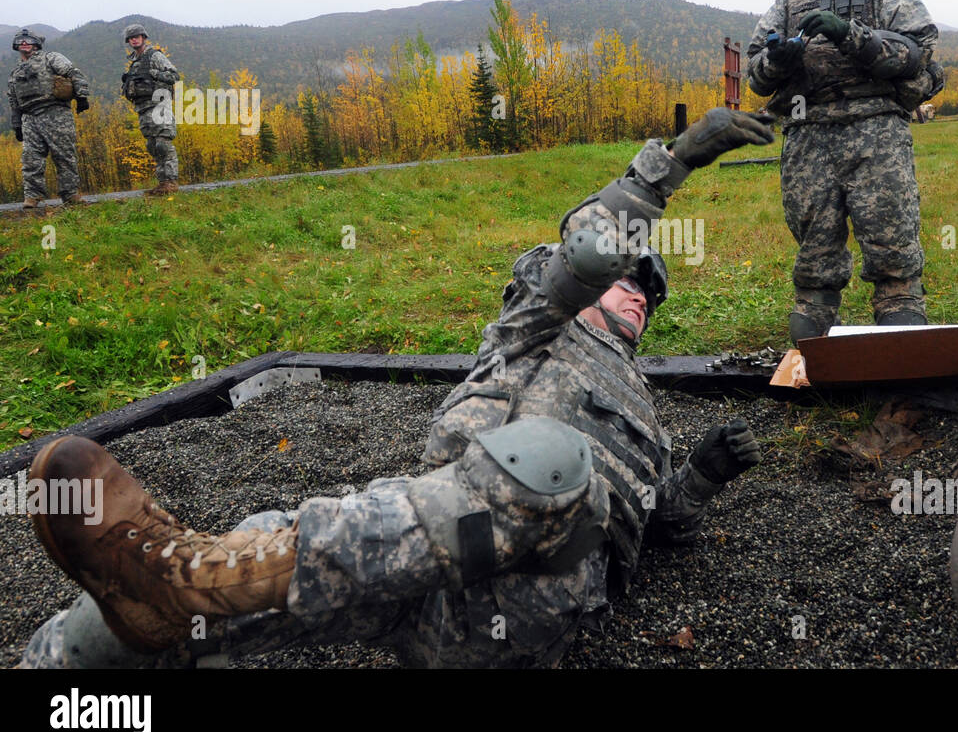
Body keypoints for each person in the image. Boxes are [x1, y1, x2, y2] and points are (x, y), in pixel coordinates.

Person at [20, 107, 775, 669]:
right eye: (634, 279)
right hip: (431, 551)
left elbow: (650, 532)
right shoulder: (541, 324)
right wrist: (668, 165)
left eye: (655, 294)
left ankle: (187, 576)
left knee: (558, 463)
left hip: (535, 603)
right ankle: (63, 661)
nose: (643, 292)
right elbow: (581, 255)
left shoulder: (645, 406)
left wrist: (700, 479)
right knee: (249, 558)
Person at [747, 0, 945, 342]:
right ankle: (816, 315)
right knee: (815, 242)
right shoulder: (788, 1)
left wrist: (850, 35)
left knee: (890, 235)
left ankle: (898, 308)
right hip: (808, 134)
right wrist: (779, 59)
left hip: (874, 130)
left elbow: (914, 55)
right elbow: (757, 75)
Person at [6, 28, 90, 210]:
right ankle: (32, 196)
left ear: (36, 43)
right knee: (30, 159)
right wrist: (17, 125)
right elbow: (14, 101)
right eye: (21, 40)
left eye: (28, 40)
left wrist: (82, 96)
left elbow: (73, 73)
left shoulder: (50, 58)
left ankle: (70, 194)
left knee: (64, 155)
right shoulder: (15, 73)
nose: (24, 43)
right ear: (16, 45)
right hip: (29, 118)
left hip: (55, 113)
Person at [121, 23, 181, 196]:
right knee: (152, 145)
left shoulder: (154, 55)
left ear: (143, 37)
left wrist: (155, 74)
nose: (134, 39)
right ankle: (162, 183)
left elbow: (174, 76)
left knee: (163, 143)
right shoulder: (135, 62)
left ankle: (171, 181)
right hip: (143, 108)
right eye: (131, 38)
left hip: (159, 105)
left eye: (137, 36)